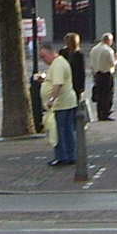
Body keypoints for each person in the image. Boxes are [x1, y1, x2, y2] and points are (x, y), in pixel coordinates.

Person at [38, 40, 80, 168]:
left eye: (43, 56)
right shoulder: (58, 63)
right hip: (65, 102)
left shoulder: (58, 65)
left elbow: (58, 84)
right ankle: (69, 155)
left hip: (61, 103)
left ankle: (63, 156)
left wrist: (51, 100)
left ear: (51, 53)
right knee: (66, 130)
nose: (43, 60)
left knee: (59, 131)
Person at [88, 32, 117, 121]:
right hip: (107, 74)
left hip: (97, 74)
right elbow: (112, 64)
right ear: (109, 40)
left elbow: (91, 64)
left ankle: (99, 113)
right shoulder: (108, 50)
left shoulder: (94, 49)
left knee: (99, 95)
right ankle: (105, 113)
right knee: (107, 94)